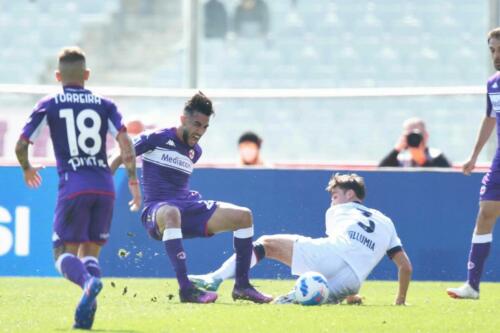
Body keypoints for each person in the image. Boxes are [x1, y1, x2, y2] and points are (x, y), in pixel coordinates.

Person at [15, 47, 141, 329]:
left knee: (63, 254)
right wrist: (133, 181)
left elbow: (22, 145)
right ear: (86, 75)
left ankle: (88, 282)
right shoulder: (105, 104)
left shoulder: (50, 103)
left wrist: (27, 168)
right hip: (105, 187)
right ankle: (84, 319)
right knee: (90, 254)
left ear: (58, 75)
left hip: (74, 186)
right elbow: (125, 143)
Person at [110, 91, 272, 304]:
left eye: (205, 127)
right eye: (196, 124)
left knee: (244, 216)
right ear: (183, 119)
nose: (200, 131)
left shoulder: (195, 151)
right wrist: (102, 184)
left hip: (187, 206)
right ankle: (186, 289)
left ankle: (242, 286)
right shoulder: (156, 137)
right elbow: (121, 154)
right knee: (171, 212)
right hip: (157, 210)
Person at [189, 173, 412, 305]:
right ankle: (292, 297)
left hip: (330, 256)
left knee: (267, 243)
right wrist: (399, 299)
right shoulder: (386, 221)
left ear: (350, 195)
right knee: (296, 301)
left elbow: (341, 251)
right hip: (352, 281)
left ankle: (215, 278)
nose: (332, 202)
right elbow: (405, 267)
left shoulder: (336, 211)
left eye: (335, 196)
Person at [447, 27, 500, 299]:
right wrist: (474, 155)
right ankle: (472, 286)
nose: (497, 55)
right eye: (493, 50)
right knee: (485, 213)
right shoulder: (493, 83)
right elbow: (491, 118)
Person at [379, 117, 451, 167]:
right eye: (409, 135)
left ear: (426, 136)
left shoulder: (436, 156)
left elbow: (444, 180)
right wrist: (396, 150)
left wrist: (423, 161)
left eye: (417, 135)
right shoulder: (400, 158)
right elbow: (379, 175)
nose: (414, 138)